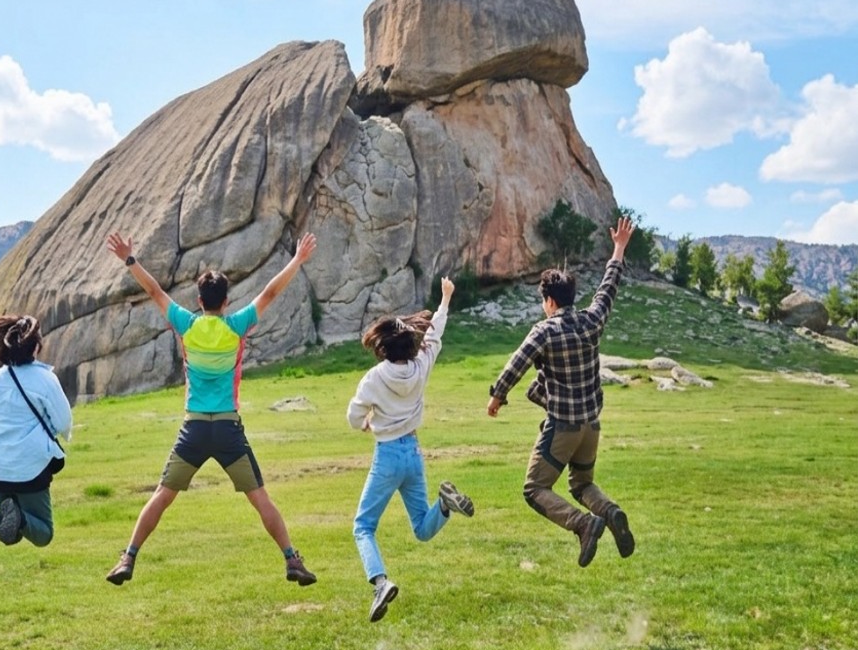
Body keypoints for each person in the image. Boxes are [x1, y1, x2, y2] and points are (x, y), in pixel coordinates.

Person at [103, 230, 319, 587]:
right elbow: (270, 293)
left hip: (194, 430)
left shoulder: (186, 325)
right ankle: (291, 560)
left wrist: (130, 259)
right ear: (226, 301)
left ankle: (128, 557)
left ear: (199, 301)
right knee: (260, 497)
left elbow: (155, 292)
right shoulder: (236, 326)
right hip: (228, 430)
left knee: (162, 496)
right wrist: (296, 260)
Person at [486, 216, 636, 568]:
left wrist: (497, 396)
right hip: (591, 427)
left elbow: (516, 364)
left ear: (550, 301)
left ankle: (584, 525)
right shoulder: (591, 319)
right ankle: (611, 513)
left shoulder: (544, 331)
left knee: (534, 489)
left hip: (564, 427)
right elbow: (607, 288)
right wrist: (618, 248)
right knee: (582, 484)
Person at [346, 277, 475, 622]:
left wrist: (367, 422)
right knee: (421, 527)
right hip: (414, 454)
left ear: (383, 348)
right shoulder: (421, 367)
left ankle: (380, 582)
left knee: (363, 526)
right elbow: (436, 333)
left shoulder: (374, 378)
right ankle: (445, 505)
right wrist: (446, 298)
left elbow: (353, 414)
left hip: (387, 456)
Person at [0, 314, 72, 548]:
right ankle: (15, 517)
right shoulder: (46, 380)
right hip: (32, 468)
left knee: (11, 532)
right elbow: (63, 422)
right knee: (43, 534)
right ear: (36, 347)